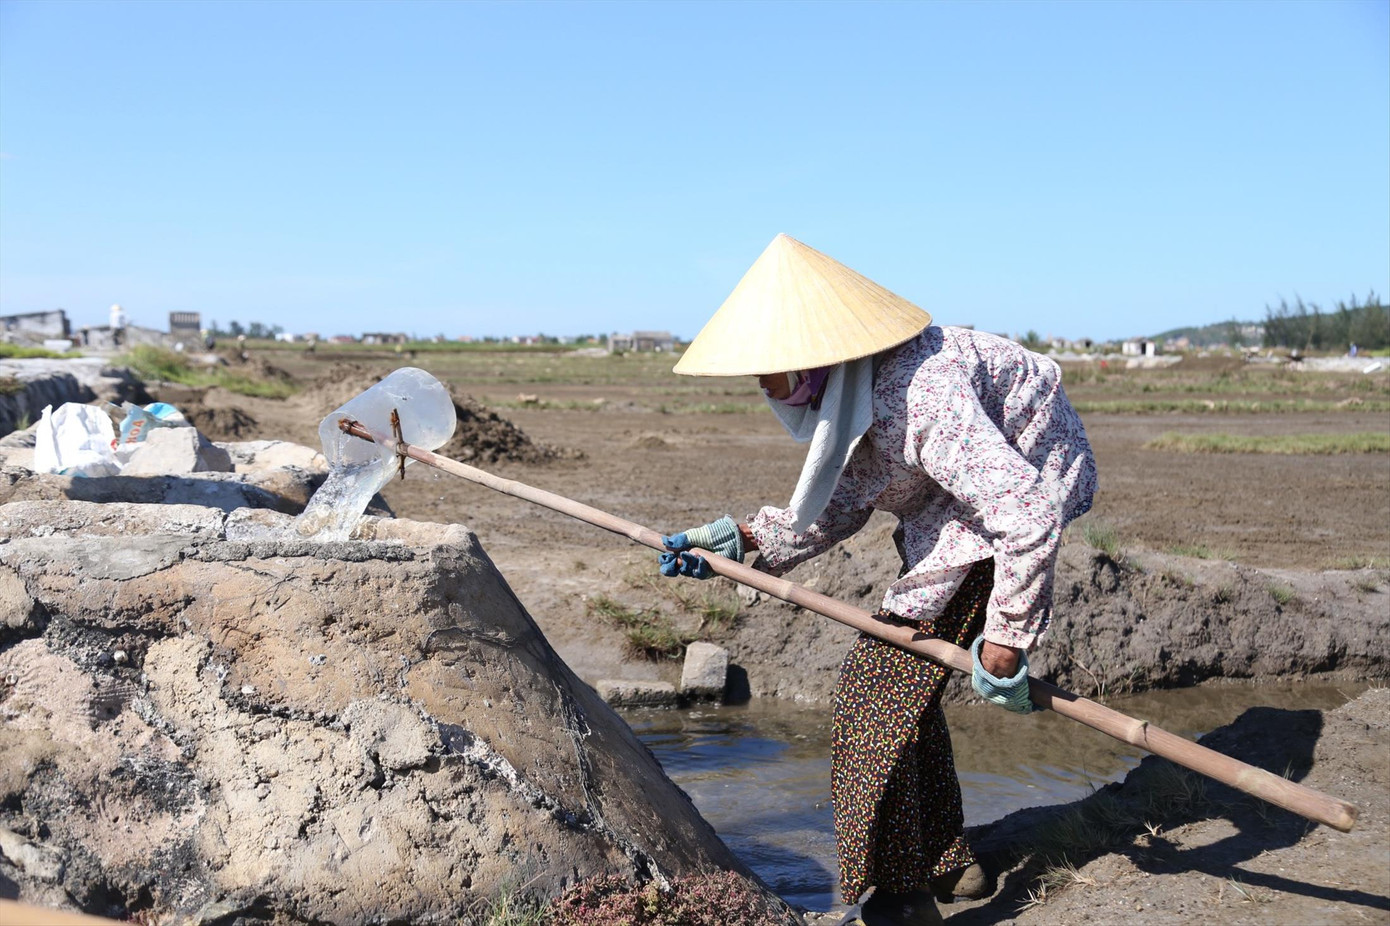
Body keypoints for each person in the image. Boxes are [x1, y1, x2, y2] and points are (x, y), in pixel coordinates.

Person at [658, 234, 1097, 926]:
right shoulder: (856, 392)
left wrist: (1007, 641)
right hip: (952, 509)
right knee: (905, 691)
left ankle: (901, 897)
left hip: (1016, 489)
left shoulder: (922, 394)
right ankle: (952, 864)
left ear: (819, 357)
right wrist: (738, 542)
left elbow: (1025, 511)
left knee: (872, 695)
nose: (764, 388)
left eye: (773, 371)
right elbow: (841, 500)